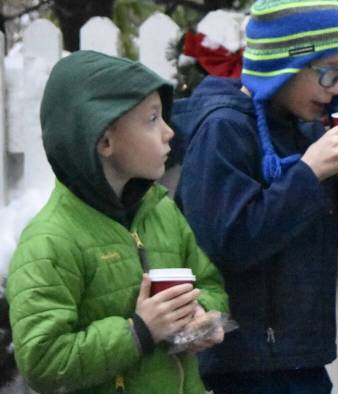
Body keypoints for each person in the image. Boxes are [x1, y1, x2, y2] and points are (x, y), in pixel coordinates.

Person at [175, 0, 338, 393]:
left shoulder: (307, 130)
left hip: (302, 356)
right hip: (240, 364)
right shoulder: (224, 130)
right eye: (326, 72)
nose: (335, 90)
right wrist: (308, 174)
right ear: (283, 63)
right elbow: (230, 240)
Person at [7, 50, 228, 394]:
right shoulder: (50, 241)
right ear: (105, 140)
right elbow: (43, 362)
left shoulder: (162, 213)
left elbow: (210, 284)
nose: (170, 131)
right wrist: (139, 331)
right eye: (152, 119)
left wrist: (203, 314)